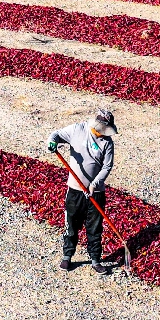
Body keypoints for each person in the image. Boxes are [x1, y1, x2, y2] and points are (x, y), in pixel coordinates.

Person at [47, 109, 118, 274]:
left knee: (94, 227)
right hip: (75, 189)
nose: (105, 134)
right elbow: (56, 135)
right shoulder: (77, 130)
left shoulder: (107, 143)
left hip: (96, 192)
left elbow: (107, 166)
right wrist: (52, 141)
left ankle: (95, 259)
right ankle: (67, 256)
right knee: (71, 224)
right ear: (97, 127)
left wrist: (94, 184)